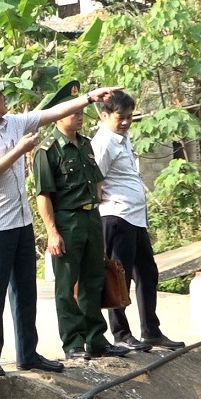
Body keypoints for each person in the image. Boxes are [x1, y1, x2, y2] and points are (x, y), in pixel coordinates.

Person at [0, 76, 120, 377]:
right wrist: (19, 151)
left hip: (21, 222)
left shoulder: (14, 123)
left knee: (25, 293)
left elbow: (53, 112)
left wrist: (89, 97)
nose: (5, 100)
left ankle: (28, 354)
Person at [32, 81, 130, 360]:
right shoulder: (48, 150)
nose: (79, 115)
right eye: (73, 111)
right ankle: (73, 342)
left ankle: (95, 338)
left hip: (91, 218)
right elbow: (44, 195)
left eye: (80, 111)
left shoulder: (86, 144)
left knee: (93, 279)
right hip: (67, 221)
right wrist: (52, 231)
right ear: (59, 112)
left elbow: (97, 181)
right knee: (67, 285)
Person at [91, 90, 184, 352]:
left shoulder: (123, 137)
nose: (126, 122)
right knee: (118, 277)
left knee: (147, 273)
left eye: (130, 117)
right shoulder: (103, 143)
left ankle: (151, 331)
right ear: (104, 114)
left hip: (135, 218)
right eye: (121, 117)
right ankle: (121, 333)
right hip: (116, 217)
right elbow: (96, 182)